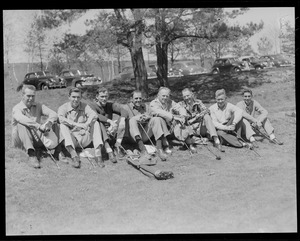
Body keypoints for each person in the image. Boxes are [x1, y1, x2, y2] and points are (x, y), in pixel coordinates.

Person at [11, 85, 60, 168]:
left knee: (56, 122)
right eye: (28, 96)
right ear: (22, 95)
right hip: (20, 141)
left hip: (35, 137)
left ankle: (58, 150)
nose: (31, 98)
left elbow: (53, 114)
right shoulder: (17, 108)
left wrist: (49, 123)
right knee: (21, 124)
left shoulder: (38, 106)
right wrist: (38, 126)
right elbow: (21, 118)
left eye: (33, 96)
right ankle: (31, 155)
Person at [57, 87, 104, 168]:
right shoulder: (63, 107)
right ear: (69, 97)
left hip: (85, 137)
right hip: (72, 140)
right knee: (62, 125)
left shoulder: (85, 106)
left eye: (78, 97)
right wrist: (77, 125)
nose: (76, 99)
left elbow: (94, 115)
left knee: (95, 123)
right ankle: (74, 156)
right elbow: (60, 119)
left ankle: (98, 155)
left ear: (81, 98)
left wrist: (87, 124)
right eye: (73, 97)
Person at [122, 90, 171, 163]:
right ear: (131, 99)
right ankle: (143, 150)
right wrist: (138, 118)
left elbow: (152, 115)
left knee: (156, 119)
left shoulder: (146, 107)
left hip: (144, 134)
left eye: (140, 98)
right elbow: (123, 121)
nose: (138, 100)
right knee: (132, 120)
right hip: (132, 136)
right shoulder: (125, 108)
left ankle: (159, 149)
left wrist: (147, 117)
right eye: (136, 98)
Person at [149, 87, 195, 159]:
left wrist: (182, 116)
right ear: (158, 95)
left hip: (169, 127)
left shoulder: (170, 102)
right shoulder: (153, 103)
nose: (165, 98)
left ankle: (189, 143)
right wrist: (173, 117)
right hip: (158, 130)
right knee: (158, 119)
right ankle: (161, 147)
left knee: (182, 118)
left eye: (167, 96)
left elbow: (180, 108)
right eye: (163, 96)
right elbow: (160, 112)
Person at [86, 87, 128, 163]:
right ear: (97, 97)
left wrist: (122, 120)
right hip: (97, 134)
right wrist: (110, 121)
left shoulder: (110, 105)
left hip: (110, 132)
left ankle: (117, 146)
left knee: (124, 119)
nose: (104, 99)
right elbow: (96, 115)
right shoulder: (92, 105)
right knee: (98, 122)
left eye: (106, 96)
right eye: (102, 96)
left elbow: (124, 110)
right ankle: (108, 149)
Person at [178, 88, 224, 152]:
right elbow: (182, 119)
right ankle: (198, 140)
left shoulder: (198, 102)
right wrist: (195, 119)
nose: (186, 98)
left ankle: (216, 141)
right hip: (191, 129)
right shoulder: (181, 104)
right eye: (184, 96)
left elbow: (207, 110)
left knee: (207, 116)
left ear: (192, 94)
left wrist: (199, 115)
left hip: (200, 127)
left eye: (188, 95)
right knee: (184, 128)